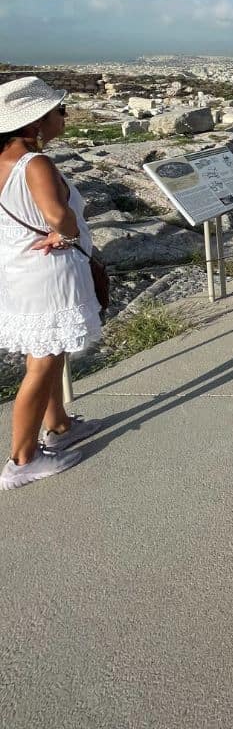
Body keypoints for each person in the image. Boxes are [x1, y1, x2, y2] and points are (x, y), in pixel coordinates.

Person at [0, 77, 102, 490]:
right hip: (48, 274)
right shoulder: (34, 163)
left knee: (46, 350)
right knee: (42, 363)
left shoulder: (4, 159)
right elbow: (57, 215)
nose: (65, 116)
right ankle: (21, 458)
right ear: (36, 122)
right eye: (59, 111)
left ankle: (58, 424)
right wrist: (69, 233)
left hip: (20, 272)